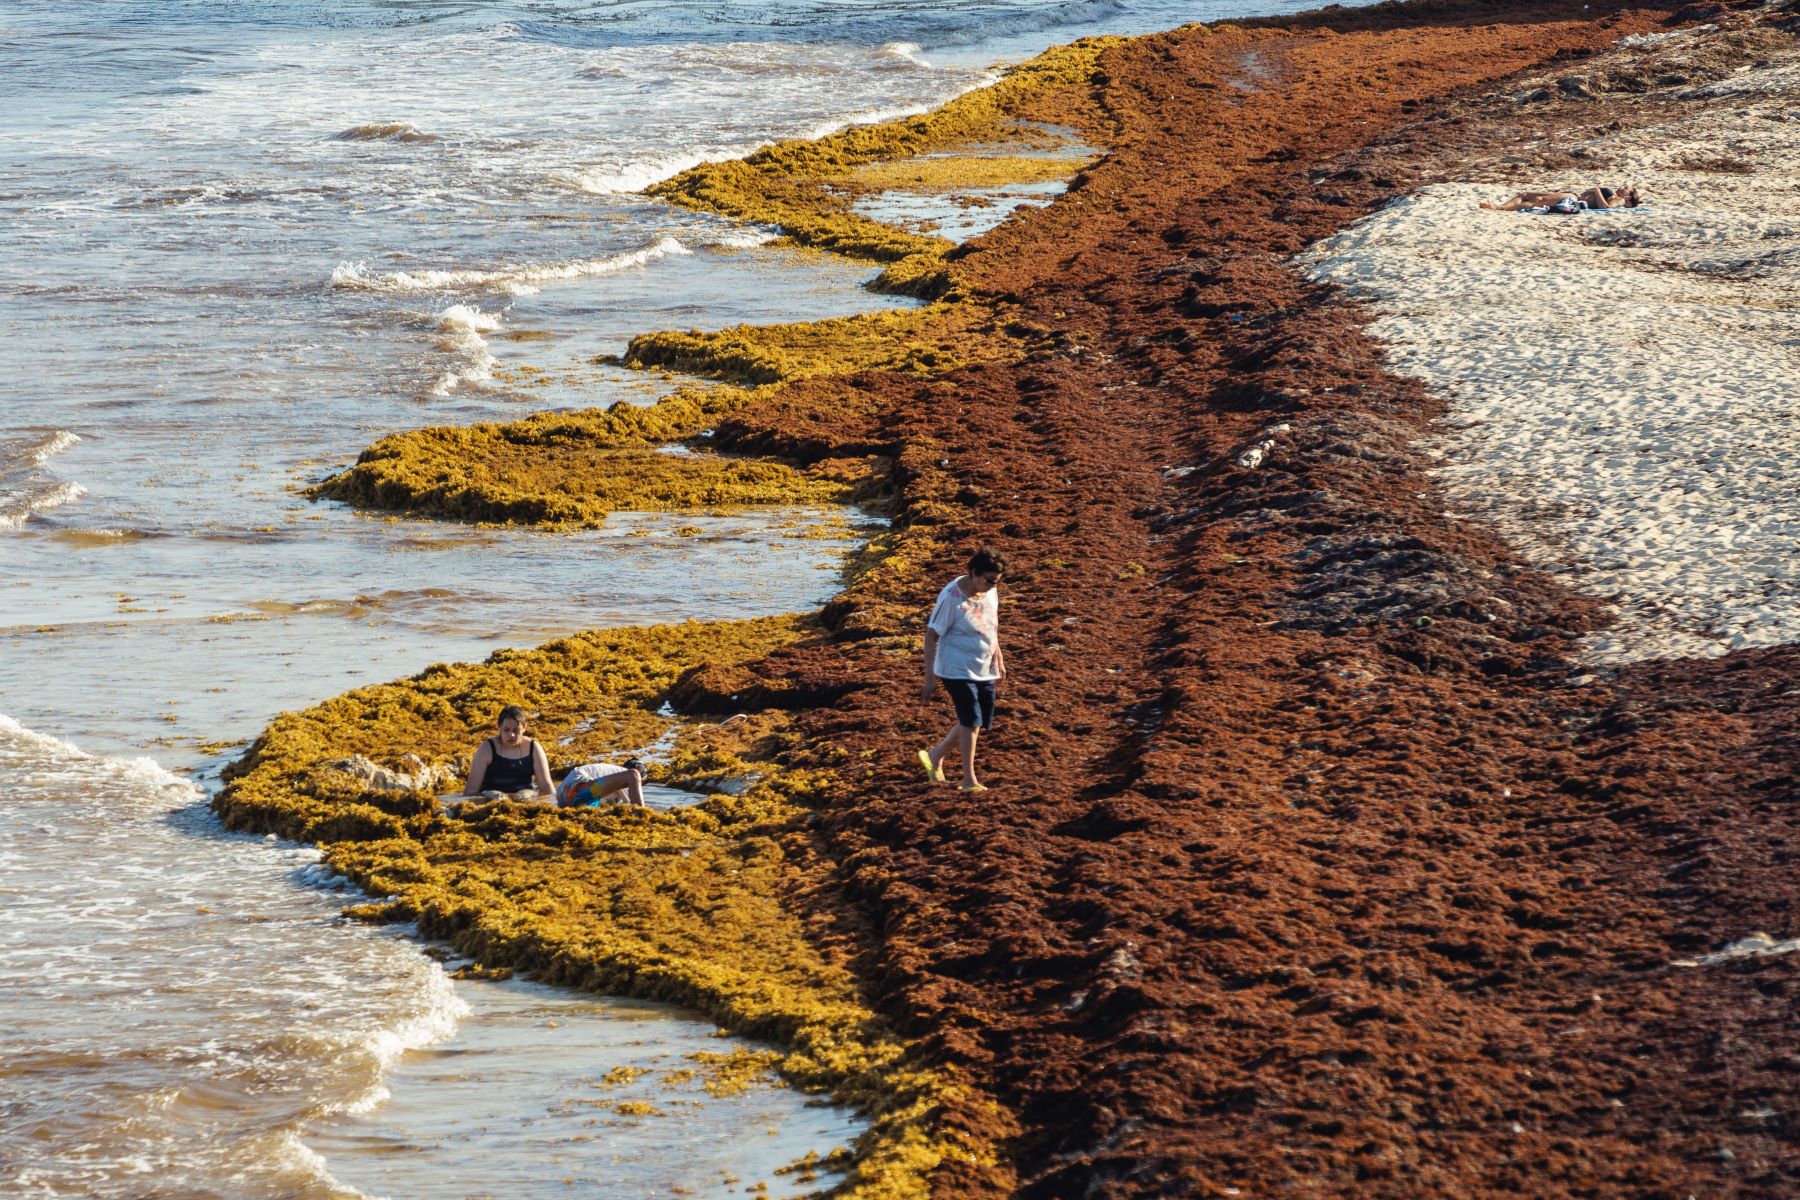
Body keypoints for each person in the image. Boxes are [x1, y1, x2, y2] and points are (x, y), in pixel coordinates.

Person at [917, 547, 1006, 792]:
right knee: (970, 722)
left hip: (984, 665)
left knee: (978, 721)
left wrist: (998, 656)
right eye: (988, 580)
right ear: (974, 573)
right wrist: (929, 678)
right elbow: (931, 636)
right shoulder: (951, 598)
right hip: (956, 668)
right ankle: (969, 780)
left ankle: (935, 755)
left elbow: (991, 624)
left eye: (996, 581)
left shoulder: (990, 591)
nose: (992, 585)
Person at [462, 705, 554, 799]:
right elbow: (470, 791)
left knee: (524, 796)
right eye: (506, 730)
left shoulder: (533, 748)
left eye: (516, 730)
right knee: (497, 797)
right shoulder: (486, 749)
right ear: (499, 726)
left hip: (524, 794)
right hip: (492, 796)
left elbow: (546, 787)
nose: (511, 735)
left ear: (524, 727)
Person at [555, 758, 648, 808]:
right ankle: (643, 818)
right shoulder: (626, 776)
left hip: (563, 797)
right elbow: (630, 805)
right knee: (633, 775)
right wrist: (643, 812)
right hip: (577, 788)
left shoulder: (611, 778)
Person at [1480, 185, 1639, 212]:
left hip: (1574, 198)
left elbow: (1605, 208)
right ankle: (1500, 206)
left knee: (1539, 200)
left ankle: (1499, 208)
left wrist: (1597, 190)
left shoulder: (1619, 200)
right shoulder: (1615, 195)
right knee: (1525, 194)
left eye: (1626, 189)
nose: (1622, 188)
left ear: (1629, 199)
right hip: (1572, 194)